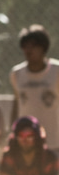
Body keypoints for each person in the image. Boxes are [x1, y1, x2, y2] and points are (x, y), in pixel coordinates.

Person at [9, 25, 59, 153]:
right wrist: (13, 133)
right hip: (26, 143)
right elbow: (17, 104)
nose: (29, 50)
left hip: (53, 141)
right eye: (25, 46)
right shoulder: (16, 74)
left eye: (33, 46)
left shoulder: (56, 71)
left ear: (43, 48)